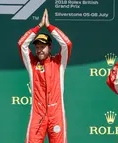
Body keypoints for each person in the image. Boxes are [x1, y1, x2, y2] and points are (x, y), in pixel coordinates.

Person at [18, 9, 72, 143]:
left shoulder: (59, 63)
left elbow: (67, 44)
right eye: (37, 47)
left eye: (43, 46)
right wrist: (38, 27)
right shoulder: (32, 63)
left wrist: (49, 26)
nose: (39, 49)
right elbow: (22, 44)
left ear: (50, 47)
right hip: (38, 114)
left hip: (56, 114)